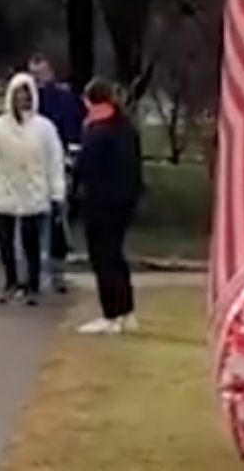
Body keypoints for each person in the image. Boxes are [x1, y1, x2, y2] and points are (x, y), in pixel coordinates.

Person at [0, 71, 67, 305]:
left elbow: (55, 162)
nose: (23, 100)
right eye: (18, 95)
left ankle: (32, 285)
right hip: (4, 192)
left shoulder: (45, 128)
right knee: (5, 241)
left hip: (34, 192)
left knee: (32, 242)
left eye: (27, 95)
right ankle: (11, 281)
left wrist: (57, 192)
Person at [74, 78, 143, 334]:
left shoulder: (96, 130)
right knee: (116, 256)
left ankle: (111, 313)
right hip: (124, 201)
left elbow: (86, 167)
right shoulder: (126, 128)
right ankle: (127, 311)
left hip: (101, 202)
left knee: (103, 258)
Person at [29, 54, 85, 290]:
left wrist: (71, 158)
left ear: (50, 73)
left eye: (41, 73)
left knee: (57, 217)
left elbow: (73, 129)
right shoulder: (26, 100)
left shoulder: (64, 100)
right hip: (30, 165)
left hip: (57, 164)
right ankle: (31, 272)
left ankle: (56, 269)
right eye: (34, 74)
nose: (38, 79)